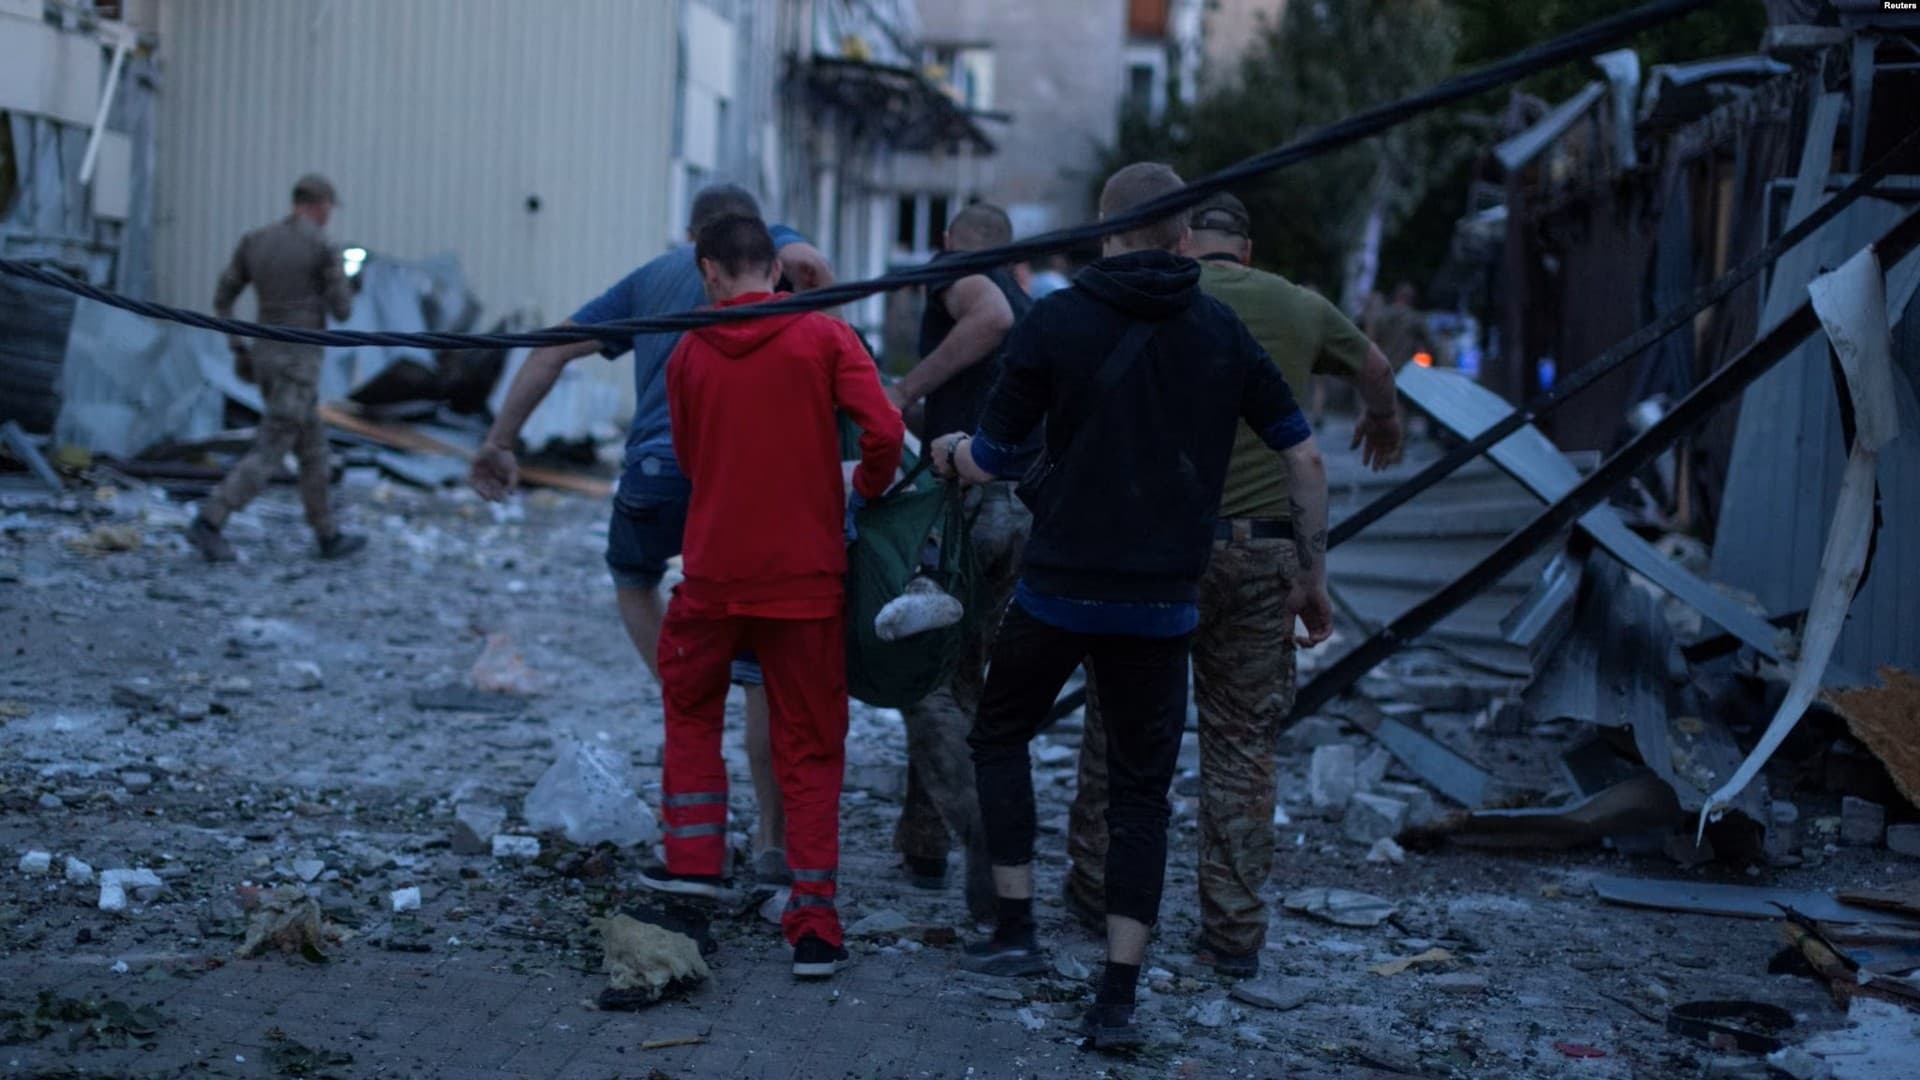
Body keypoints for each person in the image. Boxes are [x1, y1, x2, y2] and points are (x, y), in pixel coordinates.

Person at [928, 163, 1332, 1051]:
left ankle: (1018, 929)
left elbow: (994, 455)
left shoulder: (1058, 320)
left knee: (1001, 734)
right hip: (1161, 604)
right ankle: (1116, 998)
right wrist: (1310, 574)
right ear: (1184, 238)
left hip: (1060, 588)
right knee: (1145, 794)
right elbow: (1303, 458)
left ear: (1104, 232)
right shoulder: (1221, 330)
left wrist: (951, 452)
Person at [1064, 191, 1399, 980]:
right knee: (1242, 746)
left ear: (1185, 244)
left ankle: (1094, 898)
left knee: (1117, 729)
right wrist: (1381, 419)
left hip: (1154, 551)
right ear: (1246, 251)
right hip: (1261, 554)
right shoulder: (1298, 304)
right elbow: (1377, 369)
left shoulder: (1158, 298)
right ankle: (1233, 934)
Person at [468, 186, 832, 887]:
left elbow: (547, 352)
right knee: (762, 667)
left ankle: (687, 687)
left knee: (633, 577)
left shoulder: (653, 278)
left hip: (658, 474)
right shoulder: (772, 248)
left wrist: (499, 440)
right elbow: (810, 265)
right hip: (747, 482)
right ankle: (772, 846)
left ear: (699, 247)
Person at [643, 213, 904, 979]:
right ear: (775, 272)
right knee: (812, 745)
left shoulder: (688, 352)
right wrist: (866, 487)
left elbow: (690, 458)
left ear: (709, 271)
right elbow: (883, 430)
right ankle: (814, 924)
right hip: (807, 581)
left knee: (690, 704)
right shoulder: (823, 337)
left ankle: (692, 862)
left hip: (715, 575)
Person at [882, 204, 1037, 921]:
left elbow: (989, 319)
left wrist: (903, 388)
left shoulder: (960, 277)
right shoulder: (1031, 299)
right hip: (1018, 508)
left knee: (924, 670)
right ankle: (924, 842)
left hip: (966, 507)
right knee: (963, 671)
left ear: (949, 244)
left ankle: (982, 835)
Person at [187, 174, 365, 563]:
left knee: (313, 448)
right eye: (329, 209)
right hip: (299, 362)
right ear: (320, 205)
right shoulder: (321, 247)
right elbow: (342, 308)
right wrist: (352, 281)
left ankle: (326, 533)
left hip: (265, 354)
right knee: (273, 446)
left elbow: (223, 298)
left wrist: (238, 347)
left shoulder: (257, 242)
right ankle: (211, 518)